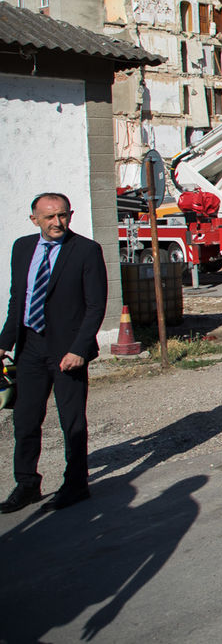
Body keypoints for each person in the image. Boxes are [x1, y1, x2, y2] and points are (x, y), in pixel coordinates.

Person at [0, 193, 107, 515]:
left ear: (70, 215)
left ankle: (76, 485)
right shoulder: (22, 248)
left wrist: (79, 349)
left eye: (62, 215)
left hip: (67, 351)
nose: (57, 222)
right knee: (26, 418)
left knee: (71, 420)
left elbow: (95, 306)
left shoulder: (86, 251)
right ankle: (27, 484)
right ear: (35, 220)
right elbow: (17, 299)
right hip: (30, 347)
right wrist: (4, 342)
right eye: (49, 217)